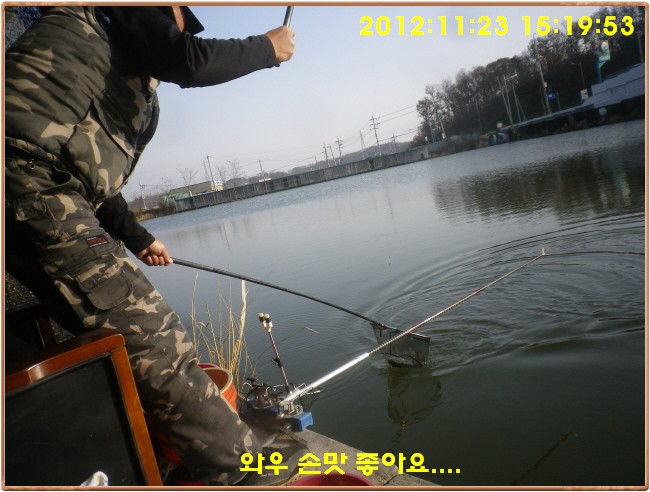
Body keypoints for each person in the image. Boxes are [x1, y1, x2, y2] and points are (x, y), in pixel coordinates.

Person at [4, 6, 300, 486]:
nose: (179, 29)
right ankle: (238, 469)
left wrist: (139, 239)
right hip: (29, 187)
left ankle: (156, 453)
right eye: (181, 19)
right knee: (152, 334)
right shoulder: (121, 9)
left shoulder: (93, 59)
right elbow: (190, 61)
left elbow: (83, 172)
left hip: (36, 187)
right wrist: (268, 47)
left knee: (120, 337)